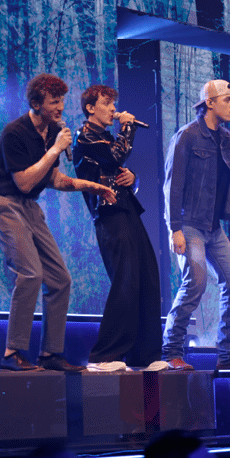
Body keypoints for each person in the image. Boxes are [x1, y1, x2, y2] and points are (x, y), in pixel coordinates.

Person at [0, 73, 116, 373]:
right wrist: (55, 149)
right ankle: (12, 352)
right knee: (30, 274)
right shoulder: (14, 133)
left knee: (59, 279)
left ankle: (50, 354)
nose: (60, 106)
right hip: (6, 205)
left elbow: (53, 178)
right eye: (53, 101)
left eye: (61, 100)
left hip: (31, 208)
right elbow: (24, 181)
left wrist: (90, 186)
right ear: (35, 104)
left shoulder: (53, 130)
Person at [162, 79, 230, 372]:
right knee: (196, 281)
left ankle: (229, 354)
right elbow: (172, 186)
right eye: (227, 99)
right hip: (189, 223)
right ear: (210, 103)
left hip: (213, 226)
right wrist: (175, 228)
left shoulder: (229, 139)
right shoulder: (187, 136)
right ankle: (171, 351)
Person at [72, 84, 168, 373]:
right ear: (91, 108)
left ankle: (145, 354)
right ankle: (105, 354)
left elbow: (116, 167)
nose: (114, 109)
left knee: (147, 276)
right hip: (109, 215)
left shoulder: (103, 137)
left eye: (114, 104)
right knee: (125, 278)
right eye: (107, 104)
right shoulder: (85, 136)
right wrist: (128, 128)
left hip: (126, 209)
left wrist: (133, 178)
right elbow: (115, 157)